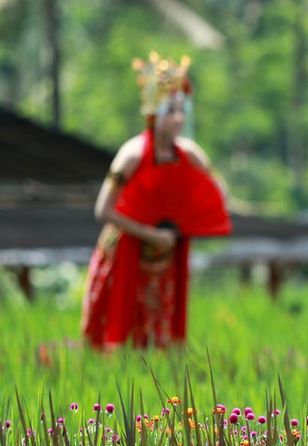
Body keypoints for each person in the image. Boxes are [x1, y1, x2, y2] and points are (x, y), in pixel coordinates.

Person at [82, 53, 227, 349]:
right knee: (115, 339)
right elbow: (103, 210)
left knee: (161, 341)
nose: (177, 119)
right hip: (125, 253)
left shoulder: (191, 155)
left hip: (165, 260)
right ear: (152, 112)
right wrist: (151, 233)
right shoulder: (132, 155)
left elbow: (217, 194)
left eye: (181, 110)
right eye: (169, 111)